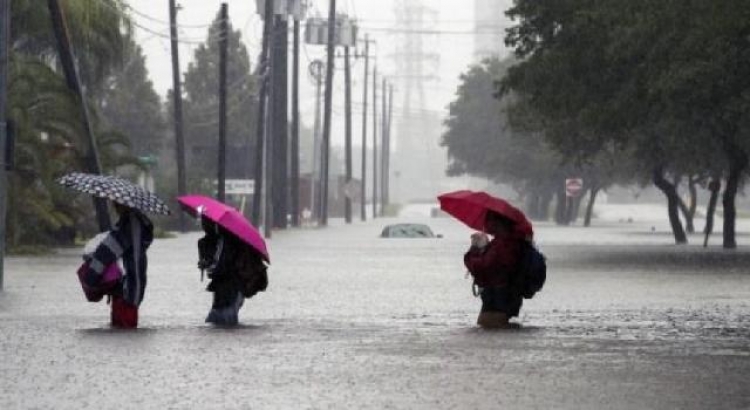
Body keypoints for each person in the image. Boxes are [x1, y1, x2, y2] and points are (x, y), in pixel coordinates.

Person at [84, 202, 154, 328]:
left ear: (125, 205)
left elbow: (107, 251)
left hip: (126, 290)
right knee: (125, 333)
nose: (115, 208)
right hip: (134, 287)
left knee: (122, 330)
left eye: (117, 205)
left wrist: (90, 277)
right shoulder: (140, 223)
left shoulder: (127, 225)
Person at [198, 218, 267, 326]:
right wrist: (205, 263)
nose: (204, 226)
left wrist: (207, 265)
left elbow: (220, 264)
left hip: (234, 287)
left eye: (206, 223)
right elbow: (212, 267)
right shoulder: (207, 242)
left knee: (225, 318)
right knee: (219, 320)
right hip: (223, 288)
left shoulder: (226, 242)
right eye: (203, 223)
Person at [464, 211, 524, 329]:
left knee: (488, 326)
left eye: (489, 221)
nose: (487, 225)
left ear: (498, 224)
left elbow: (482, 266)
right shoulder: (509, 243)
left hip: (497, 296)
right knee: (494, 328)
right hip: (504, 294)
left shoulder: (501, 246)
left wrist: (474, 250)